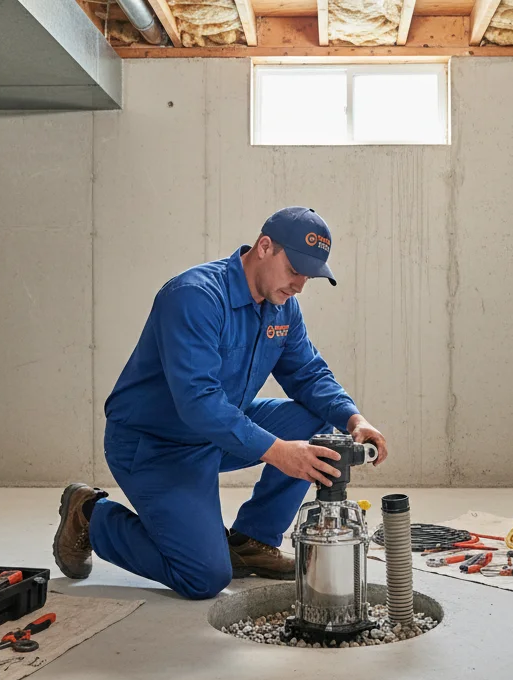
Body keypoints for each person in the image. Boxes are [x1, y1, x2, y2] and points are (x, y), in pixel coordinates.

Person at [52, 206, 388, 599]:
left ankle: (252, 540)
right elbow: (197, 401)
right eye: (294, 269)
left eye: (308, 276)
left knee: (316, 422)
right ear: (265, 247)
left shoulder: (282, 307)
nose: (299, 284)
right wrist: (278, 452)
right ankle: (91, 516)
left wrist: (354, 419)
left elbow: (308, 373)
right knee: (205, 577)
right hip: (155, 445)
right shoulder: (194, 297)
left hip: (214, 433)